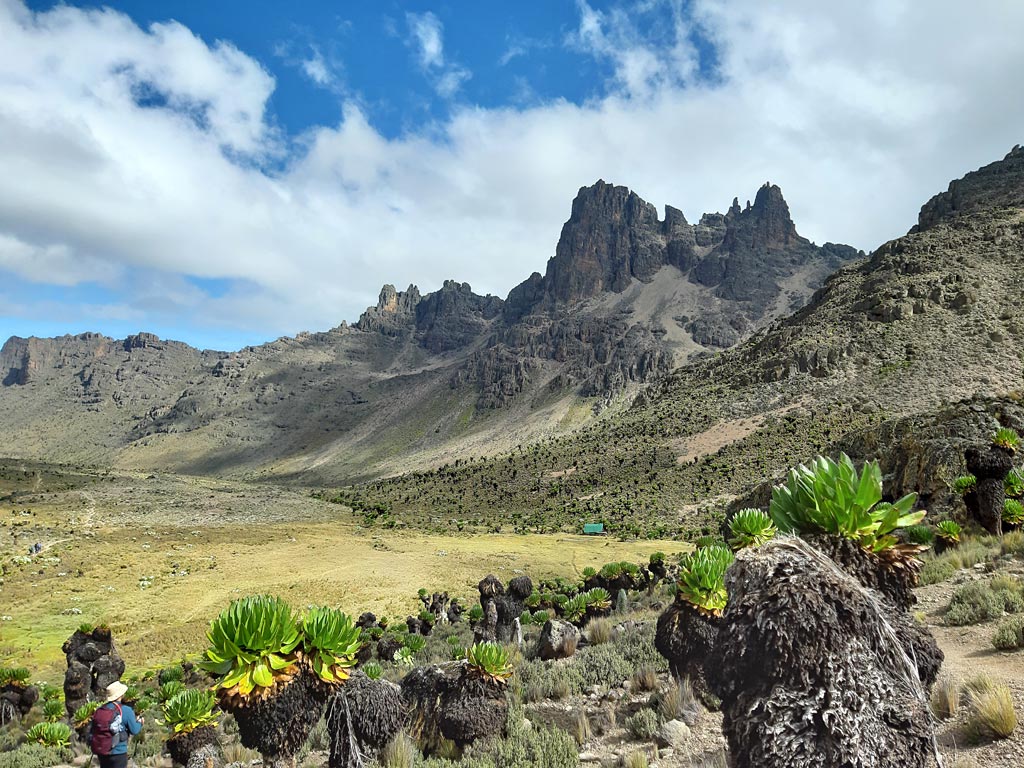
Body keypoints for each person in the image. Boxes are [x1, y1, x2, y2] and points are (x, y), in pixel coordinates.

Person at [93, 680, 144, 768]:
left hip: (102, 751)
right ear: (121, 695)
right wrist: (140, 723)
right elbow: (134, 730)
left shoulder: (99, 710)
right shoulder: (126, 710)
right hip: (118, 752)